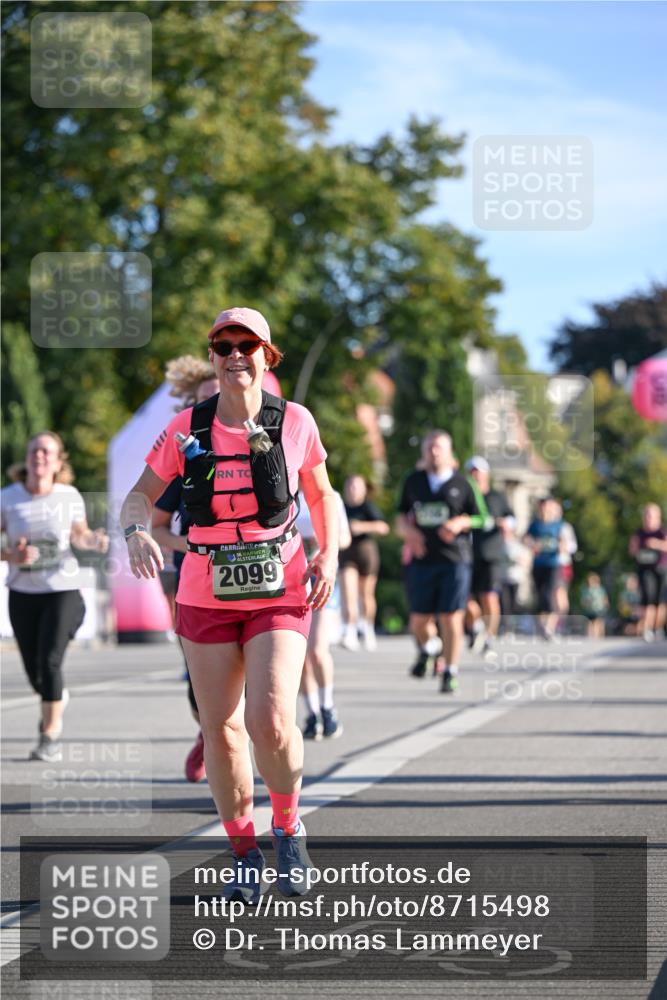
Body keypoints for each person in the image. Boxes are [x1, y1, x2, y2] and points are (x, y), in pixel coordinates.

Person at [120, 306, 338, 901]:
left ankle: (288, 826)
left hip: (280, 587)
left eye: (248, 345)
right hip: (205, 594)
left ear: (267, 356)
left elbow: (323, 494)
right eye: (224, 346)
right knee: (221, 730)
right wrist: (136, 531)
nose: (236, 354)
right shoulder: (187, 429)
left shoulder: (294, 421)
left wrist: (331, 552)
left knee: (271, 721)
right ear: (213, 358)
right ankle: (243, 848)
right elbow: (139, 497)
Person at [1, 432, 109, 761]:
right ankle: (54, 695)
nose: (40, 457)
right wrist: (11, 555)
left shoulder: (68, 496)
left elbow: (80, 535)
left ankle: (49, 735)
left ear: (59, 461)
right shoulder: (8, 498)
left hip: (62, 590)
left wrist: (94, 542)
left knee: (49, 661)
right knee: (35, 672)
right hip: (22, 592)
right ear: (27, 456)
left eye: (47, 452)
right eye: (35, 450)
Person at [151, 355, 219, 783]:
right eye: (203, 404)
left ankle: (231, 738)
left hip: (247, 577)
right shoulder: (179, 457)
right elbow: (157, 527)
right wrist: (191, 545)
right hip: (189, 576)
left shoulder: (258, 445)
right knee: (200, 676)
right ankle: (209, 733)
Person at [397, 430, 479, 694]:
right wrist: (409, 534)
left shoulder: (463, 483)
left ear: (450, 451)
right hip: (422, 560)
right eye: (430, 447)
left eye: (439, 447)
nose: (434, 452)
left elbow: (481, 518)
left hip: (455, 560)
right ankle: (431, 649)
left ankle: (450, 671)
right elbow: (399, 518)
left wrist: (460, 522)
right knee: (418, 622)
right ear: (423, 451)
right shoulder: (413, 481)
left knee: (451, 617)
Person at [296, 489, 351, 740]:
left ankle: (328, 707)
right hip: (290, 581)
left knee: (317, 649)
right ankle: (312, 713)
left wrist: (322, 543)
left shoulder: (331, 496)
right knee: (297, 656)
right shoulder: (281, 489)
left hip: (321, 580)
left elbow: (345, 538)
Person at [464, 456, 515, 656]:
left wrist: (506, 524)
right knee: (465, 599)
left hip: (490, 553)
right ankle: (476, 626)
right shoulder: (464, 495)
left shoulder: (496, 496)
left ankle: (489, 638)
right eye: (472, 471)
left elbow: (512, 518)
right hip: (465, 554)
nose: (475, 475)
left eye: (479, 472)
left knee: (489, 597)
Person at [339, 475, 389, 652]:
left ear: (363, 489)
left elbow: (383, 527)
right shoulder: (341, 507)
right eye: (350, 485)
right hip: (346, 553)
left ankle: (367, 627)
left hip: (366, 553)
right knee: (348, 591)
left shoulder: (368, 507)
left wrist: (361, 527)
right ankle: (349, 630)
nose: (353, 489)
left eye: (356, 486)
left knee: (366, 594)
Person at [524, 497, 572, 639]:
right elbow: (526, 538)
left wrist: (562, 546)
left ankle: (550, 627)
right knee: (540, 593)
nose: (546, 510)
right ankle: (542, 624)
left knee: (550, 593)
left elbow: (566, 542)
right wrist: (532, 545)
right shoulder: (535, 525)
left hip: (554, 564)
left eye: (548, 507)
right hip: (538, 564)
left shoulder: (559, 525)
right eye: (543, 507)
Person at [628, 503, 667, 642]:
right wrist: (636, 547)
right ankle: (648, 628)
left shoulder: (662, 532)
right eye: (646, 515)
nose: (648, 518)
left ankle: (658, 628)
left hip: (660, 569)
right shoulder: (639, 533)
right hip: (644, 569)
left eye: (651, 515)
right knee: (648, 599)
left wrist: (656, 544)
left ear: (658, 516)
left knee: (660, 601)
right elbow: (632, 551)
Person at [580, 572, 609, 638]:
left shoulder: (600, 589)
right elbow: (583, 601)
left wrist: (606, 605)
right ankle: (590, 636)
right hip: (589, 610)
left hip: (599, 609)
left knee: (598, 622)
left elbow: (604, 598)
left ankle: (598, 636)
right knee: (590, 623)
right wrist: (585, 604)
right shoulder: (586, 590)